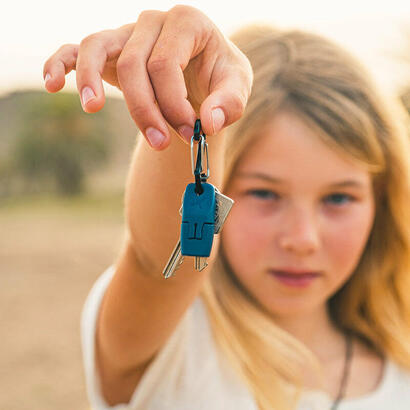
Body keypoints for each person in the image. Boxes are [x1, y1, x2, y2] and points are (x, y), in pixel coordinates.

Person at [43, 5, 410, 410]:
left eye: (338, 198)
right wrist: (189, 103)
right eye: (264, 194)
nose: (301, 240)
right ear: (218, 183)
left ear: (382, 201)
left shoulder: (401, 367)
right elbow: (157, 264)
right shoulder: (173, 343)